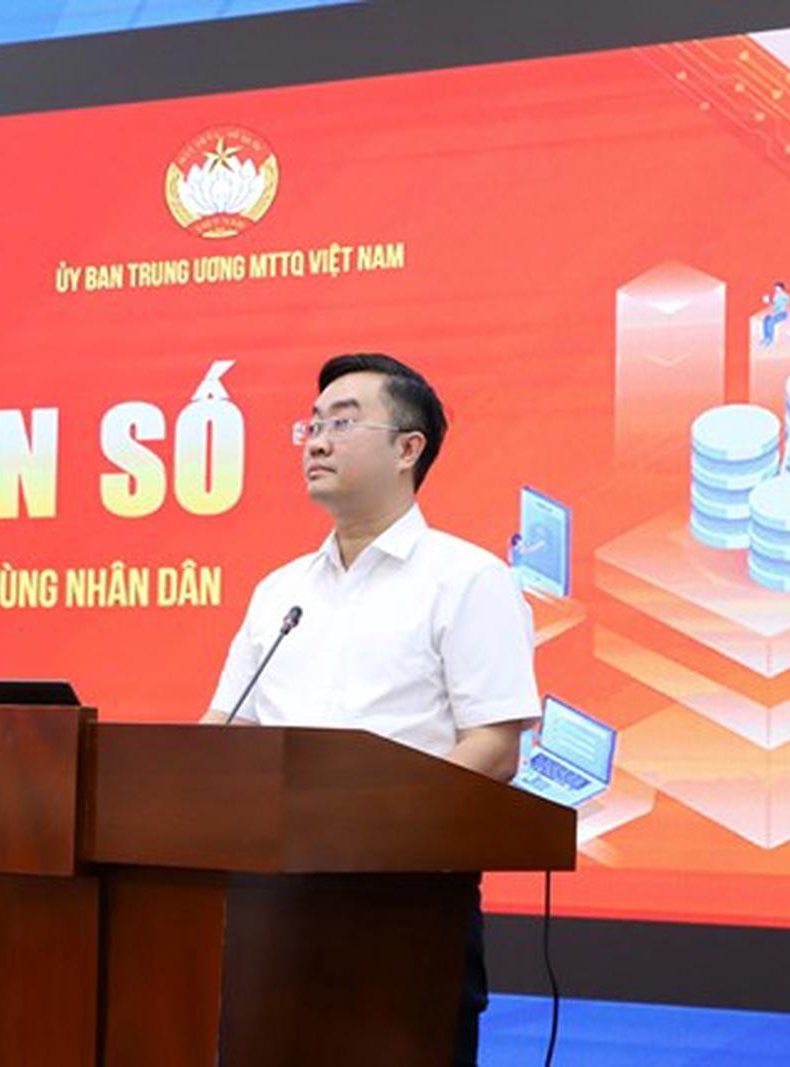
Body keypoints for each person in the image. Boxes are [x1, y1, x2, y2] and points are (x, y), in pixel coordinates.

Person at [202, 352, 541, 1066]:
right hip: (269, 905)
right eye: (312, 425)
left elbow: (492, 748)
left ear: (407, 449)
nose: (316, 442)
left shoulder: (468, 579)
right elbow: (227, 733)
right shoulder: (280, 591)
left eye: (342, 423)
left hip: (406, 906)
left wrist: (368, 827)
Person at [760, 281, 790, 346]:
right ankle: (766, 337)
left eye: (778, 289)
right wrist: (768, 301)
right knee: (766, 319)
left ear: (782, 289)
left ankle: (770, 340)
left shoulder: (785, 296)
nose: (776, 290)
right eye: (775, 289)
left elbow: (779, 306)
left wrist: (770, 301)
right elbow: (773, 306)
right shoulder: (776, 296)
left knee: (771, 321)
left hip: (782, 314)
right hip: (776, 313)